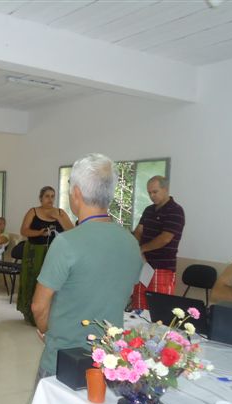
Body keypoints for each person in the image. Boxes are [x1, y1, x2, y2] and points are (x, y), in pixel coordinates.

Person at [31, 154, 142, 379]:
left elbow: (39, 307)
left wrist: (47, 331)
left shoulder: (67, 243)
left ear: (77, 193)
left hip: (64, 359)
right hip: (109, 359)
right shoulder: (131, 243)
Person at [18, 186, 73, 325]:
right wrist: (39, 233)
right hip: (34, 253)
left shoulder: (60, 212)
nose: (50, 199)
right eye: (47, 196)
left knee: (51, 283)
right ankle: (31, 314)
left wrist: (58, 218)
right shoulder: (33, 211)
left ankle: (51, 316)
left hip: (55, 253)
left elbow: (72, 231)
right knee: (33, 281)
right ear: (41, 198)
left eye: (52, 196)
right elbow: (24, 231)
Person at [131, 176, 185, 311]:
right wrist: (135, 247)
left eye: (155, 192)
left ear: (165, 189)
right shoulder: (148, 210)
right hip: (143, 266)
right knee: (138, 307)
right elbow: (139, 231)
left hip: (162, 268)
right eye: (149, 193)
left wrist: (142, 249)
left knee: (158, 310)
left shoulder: (175, 210)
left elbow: (165, 238)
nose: (151, 196)